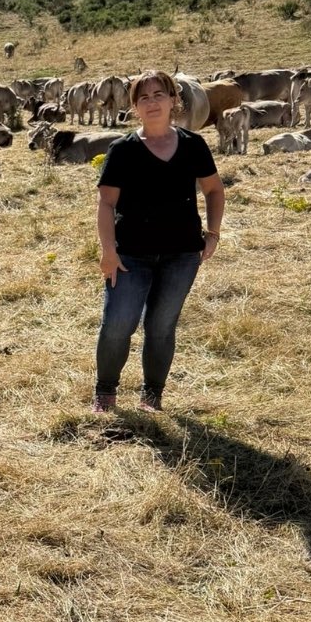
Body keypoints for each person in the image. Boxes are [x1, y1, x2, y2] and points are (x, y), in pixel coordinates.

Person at [92, 69, 224, 413]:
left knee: (161, 327)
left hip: (182, 254)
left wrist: (213, 233)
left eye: (159, 95)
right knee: (117, 325)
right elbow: (106, 203)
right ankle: (105, 392)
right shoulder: (123, 150)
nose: (152, 103)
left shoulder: (193, 145)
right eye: (144, 97)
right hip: (130, 255)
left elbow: (214, 189)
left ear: (174, 100)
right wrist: (108, 251)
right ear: (135, 106)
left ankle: (152, 395)